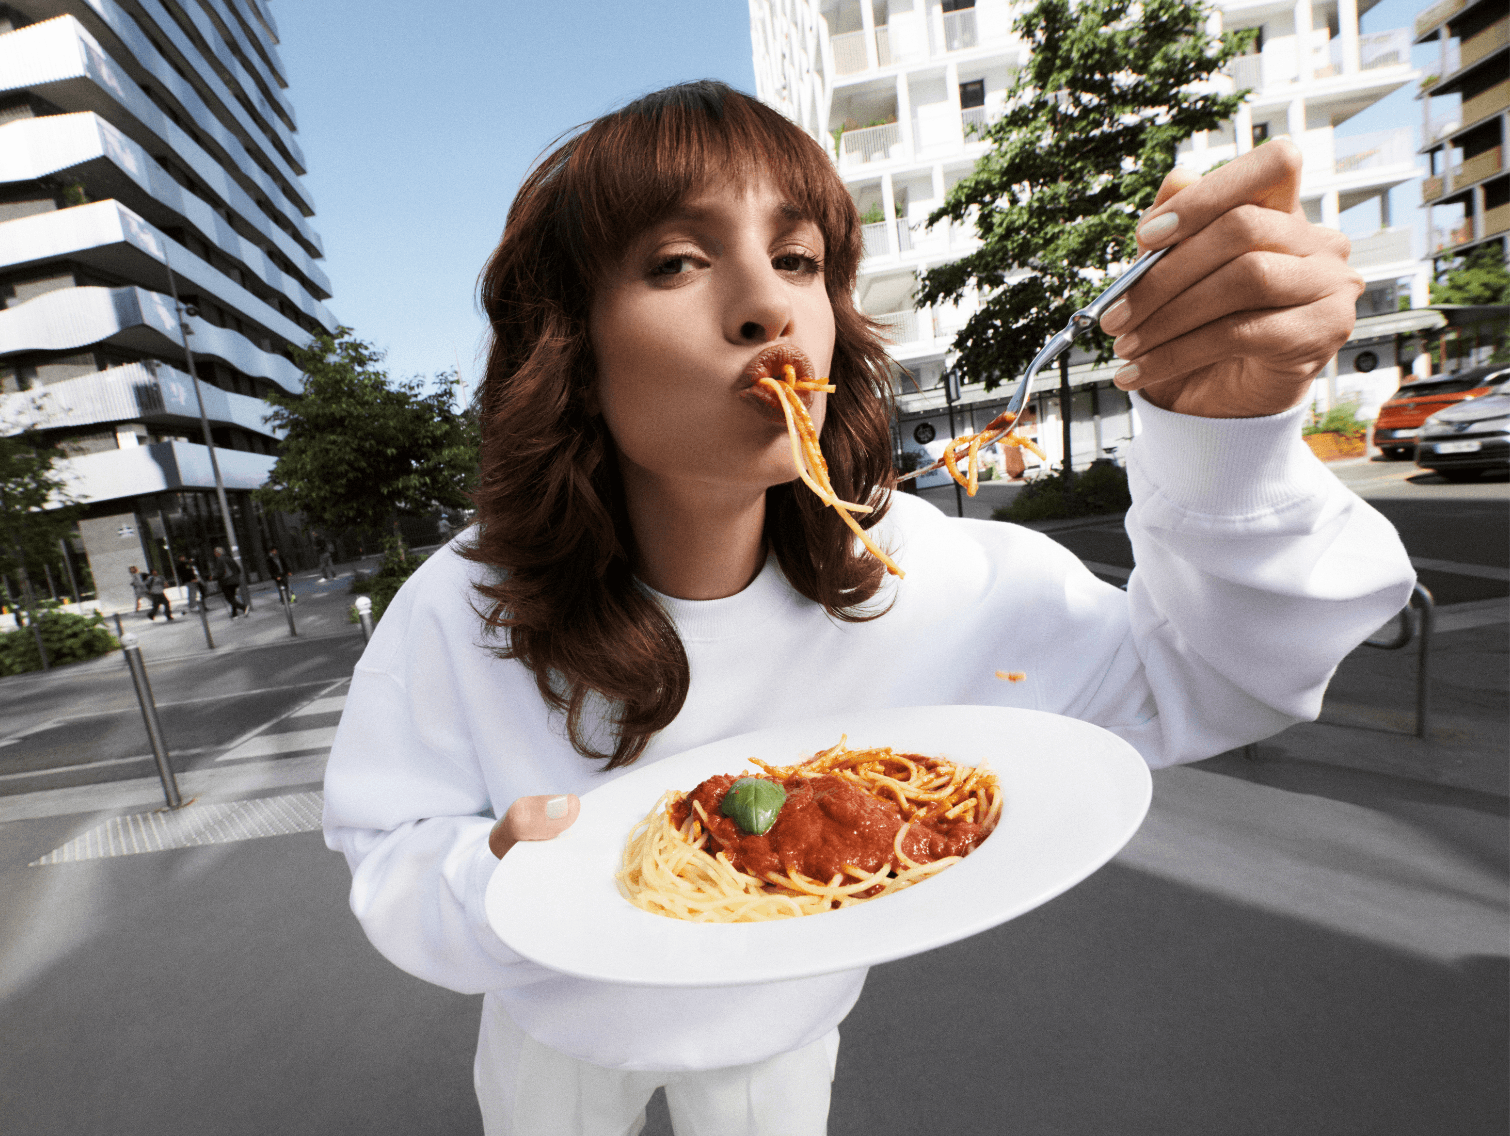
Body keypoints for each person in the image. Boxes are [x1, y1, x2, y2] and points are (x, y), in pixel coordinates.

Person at [322, 82, 1413, 1136]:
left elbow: (1215, 676)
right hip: (552, 1025)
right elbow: (390, 849)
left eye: (797, 259)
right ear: (570, 347)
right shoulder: (466, 604)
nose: (767, 303)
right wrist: (501, 879)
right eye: (675, 261)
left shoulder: (906, 573)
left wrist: (1227, 438)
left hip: (782, 1031)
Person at [211, 547, 247, 618]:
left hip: (226, 582)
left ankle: (244, 607)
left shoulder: (220, 560)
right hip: (235, 581)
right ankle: (234, 613)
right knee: (232, 597)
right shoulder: (230, 558)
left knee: (229, 599)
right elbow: (238, 569)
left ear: (218, 553)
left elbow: (220, 572)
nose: (215, 554)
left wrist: (213, 577)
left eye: (215, 553)